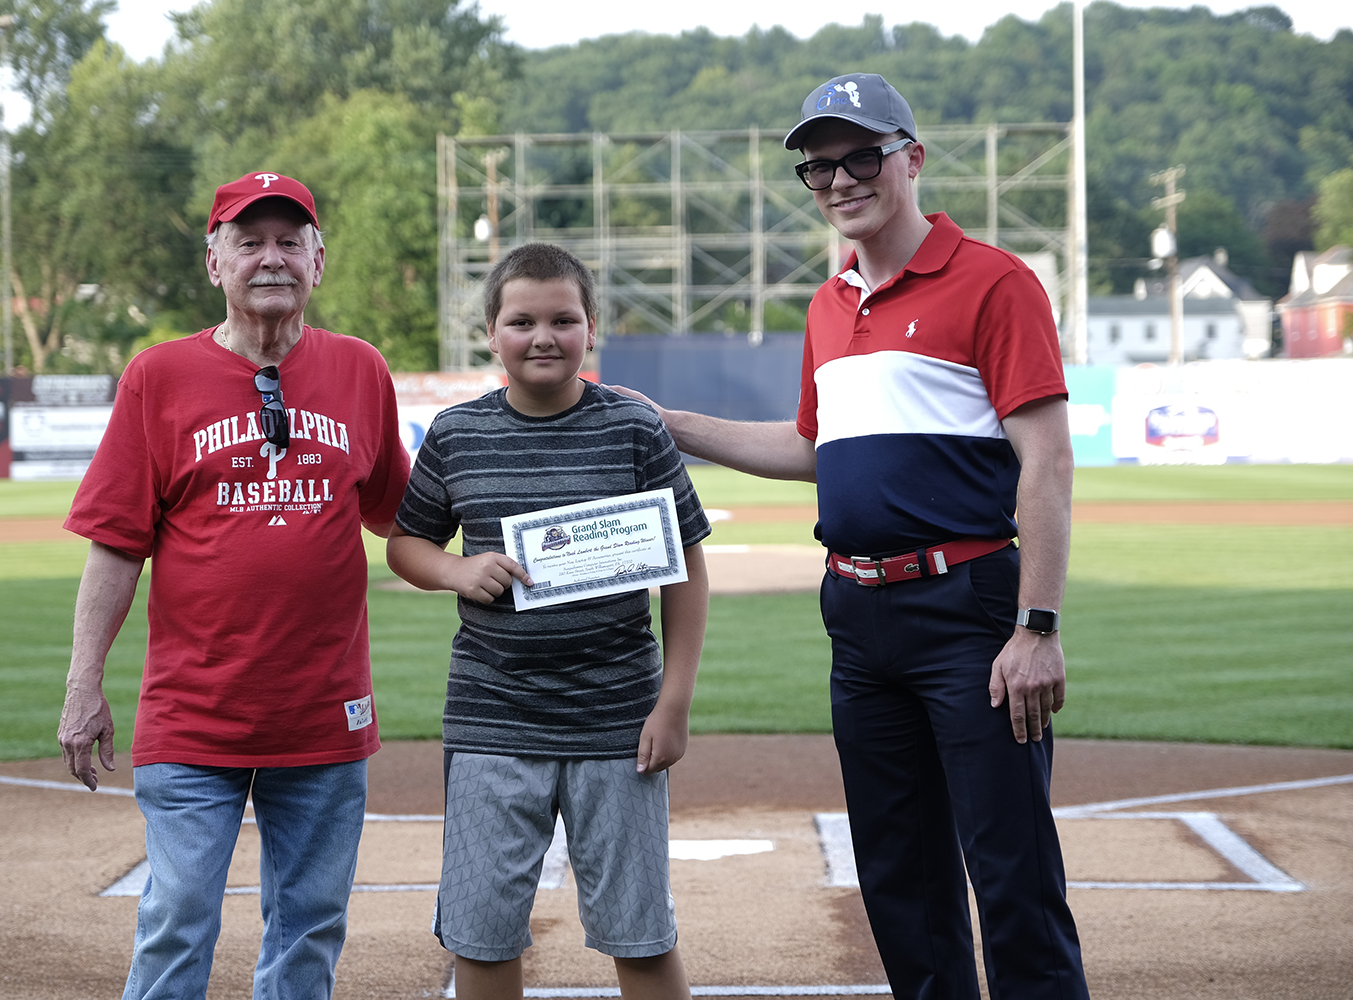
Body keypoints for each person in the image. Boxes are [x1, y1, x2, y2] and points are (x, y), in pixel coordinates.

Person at [613, 74, 1089, 999]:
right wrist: (664, 419)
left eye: (861, 156)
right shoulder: (829, 305)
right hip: (859, 621)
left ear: (911, 157)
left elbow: (1049, 463)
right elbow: (808, 448)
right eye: (818, 166)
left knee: (1013, 880)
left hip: (973, 611)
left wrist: (1038, 626)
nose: (839, 180)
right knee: (901, 887)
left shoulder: (995, 280)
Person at [56, 170, 411, 1000]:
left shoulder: (360, 370)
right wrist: (83, 686)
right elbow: (115, 544)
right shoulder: (158, 377)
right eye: (248, 242)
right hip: (193, 714)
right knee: (178, 915)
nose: (271, 258)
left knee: (310, 925)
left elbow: (403, 516)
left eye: (290, 241)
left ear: (319, 260)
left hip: (324, 711)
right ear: (214, 262)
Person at [386, 243, 711, 1000]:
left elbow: (687, 563)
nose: (543, 336)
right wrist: (457, 570)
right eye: (521, 320)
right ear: (492, 334)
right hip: (491, 720)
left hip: (618, 723)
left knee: (641, 933)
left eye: (564, 319)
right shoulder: (456, 433)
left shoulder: (633, 427)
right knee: (482, 935)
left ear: (591, 328)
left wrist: (675, 701)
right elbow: (406, 544)